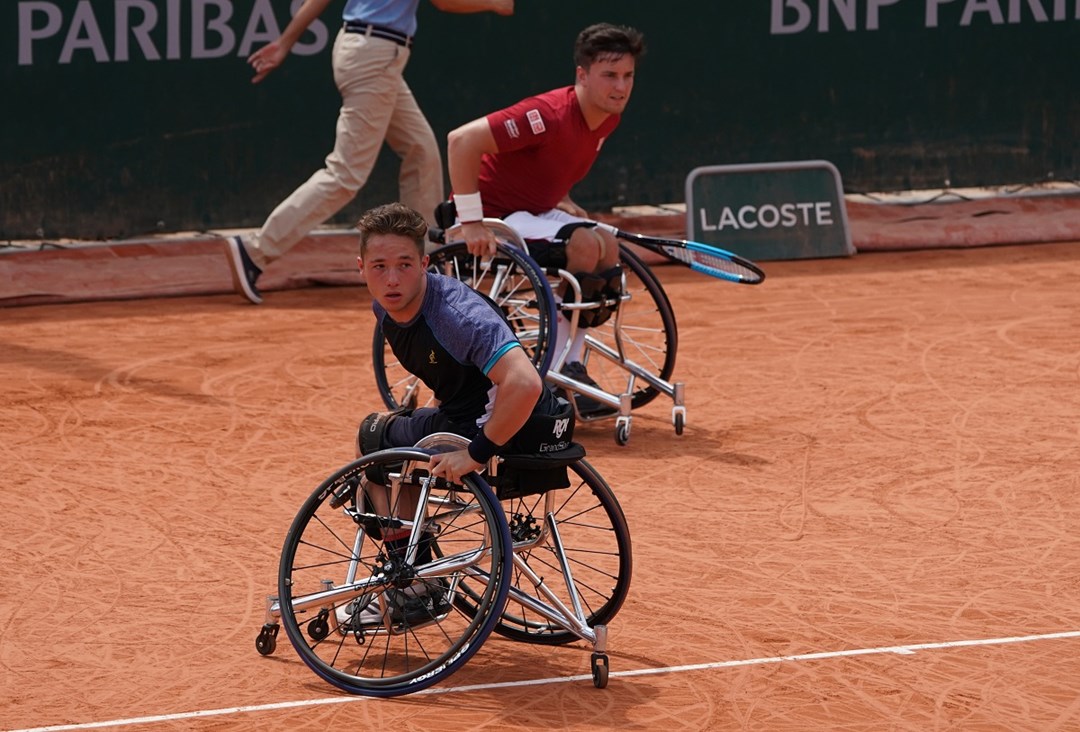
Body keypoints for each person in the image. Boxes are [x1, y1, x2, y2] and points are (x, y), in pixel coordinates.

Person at [340, 202, 574, 628]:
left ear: (425, 263)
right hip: (480, 417)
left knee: (372, 436)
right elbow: (450, 373)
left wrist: (477, 454)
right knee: (401, 432)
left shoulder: (455, 315)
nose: (391, 279)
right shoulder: (389, 309)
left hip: (502, 427)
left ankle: (413, 586)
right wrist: (434, 413)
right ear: (361, 267)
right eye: (379, 266)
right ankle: (414, 569)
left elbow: (524, 383)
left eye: (404, 265)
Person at [225, 0, 515, 305]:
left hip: (367, 51)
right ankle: (255, 251)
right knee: (346, 173)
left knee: (421, 150)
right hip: (376, 54)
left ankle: (428, 262)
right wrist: (494, 3)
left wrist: (286, 42)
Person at [445, 23, 645, 413]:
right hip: (494, 216)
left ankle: (571, 365)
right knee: (585, 243)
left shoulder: (607, 116)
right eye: (609, 75)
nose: (620, 86)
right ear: (582, 76)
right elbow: (461, 141)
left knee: (608, 245)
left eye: (628, 75)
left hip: (532, 211)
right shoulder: (545, 114)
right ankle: (546, 380)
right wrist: (471, 221)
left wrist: (561, 196)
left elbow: (552, 161)